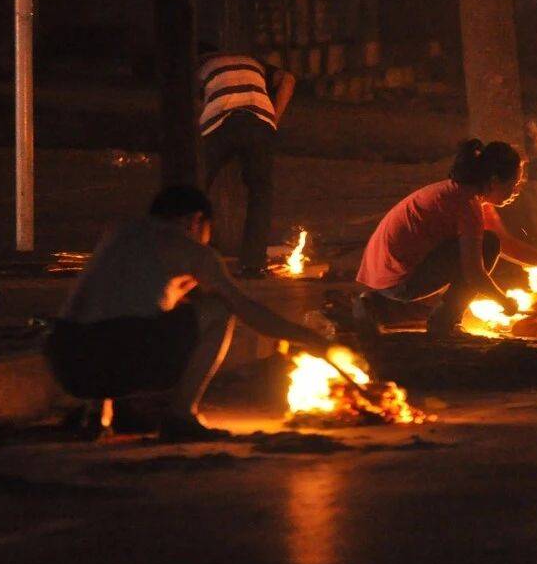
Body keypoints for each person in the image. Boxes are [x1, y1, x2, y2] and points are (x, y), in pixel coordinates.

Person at [45, 186, 331, 441]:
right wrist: (306, 337)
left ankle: (96, 414)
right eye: (209, 229)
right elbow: (246, 309)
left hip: (66, 360)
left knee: (129, 313)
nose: (208, 239)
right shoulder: (192, 252)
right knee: (219, 310)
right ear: (195, 221)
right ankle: (181, 416)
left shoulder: (119, 233)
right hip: (121, 357)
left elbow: (111, 305)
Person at [355, 139, 537, 338]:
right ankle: (444, 324)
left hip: (384, 277)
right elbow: (474, 273)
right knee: (487, 245)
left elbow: (506, 244)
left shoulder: (466, 194)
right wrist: (504, 302)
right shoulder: (466, 205)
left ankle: (379, 305)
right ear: (493, 182)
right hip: (398, 280)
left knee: (491, 242)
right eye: (513, 184)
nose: (516, 191)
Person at [197, 42, 296, 278]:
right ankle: (252, 264)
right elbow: (289, 80)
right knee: (260, 191)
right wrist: (273, 119)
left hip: (220, 124)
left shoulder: (200, 65)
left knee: (195, 190)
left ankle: (192, 256)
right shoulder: (254, 62)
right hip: (258, 122)